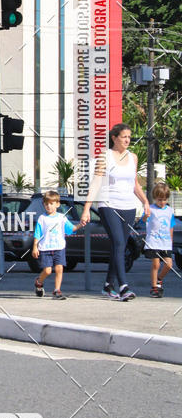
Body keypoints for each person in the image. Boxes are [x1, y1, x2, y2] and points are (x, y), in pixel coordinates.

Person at [81, 123, 150, 301]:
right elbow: (96, 182)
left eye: (129, 137)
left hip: (128, 206)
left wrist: (145, 201)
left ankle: (108, 285)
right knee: (119, 243)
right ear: (114, 138)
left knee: (119, 246)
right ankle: (124, 287)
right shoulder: (105, 156)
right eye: (124, 137)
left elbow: (134, 184)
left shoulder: (133, 157)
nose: (127, 140)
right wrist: (87, 208)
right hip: (108, 204)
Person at [32, 190, 82, 300]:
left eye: (51, 203)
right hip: (45, 248)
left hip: (59, 248)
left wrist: (81, 224)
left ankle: (57, 290)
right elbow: (37, 234)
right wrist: (35, 247)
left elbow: (71, 229)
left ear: (57, 204)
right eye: (46, 204)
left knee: (59, 269)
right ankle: (39, 282)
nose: (49, 206)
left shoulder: (61, 217)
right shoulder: (42, 218)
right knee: (48, 271)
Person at [144, 181, 175, 297]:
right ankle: (154, 287)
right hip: (154, 241)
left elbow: (171, 226)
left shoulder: (169, 211)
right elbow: (143, 221)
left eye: (164, 200)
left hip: (165, 242)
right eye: (159, 200)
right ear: (155, 198)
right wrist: (145, 216)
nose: (162, 202)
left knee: (169, 264)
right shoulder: (151, 209)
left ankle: (159, 279)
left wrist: (170, 240)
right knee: (156, 265)